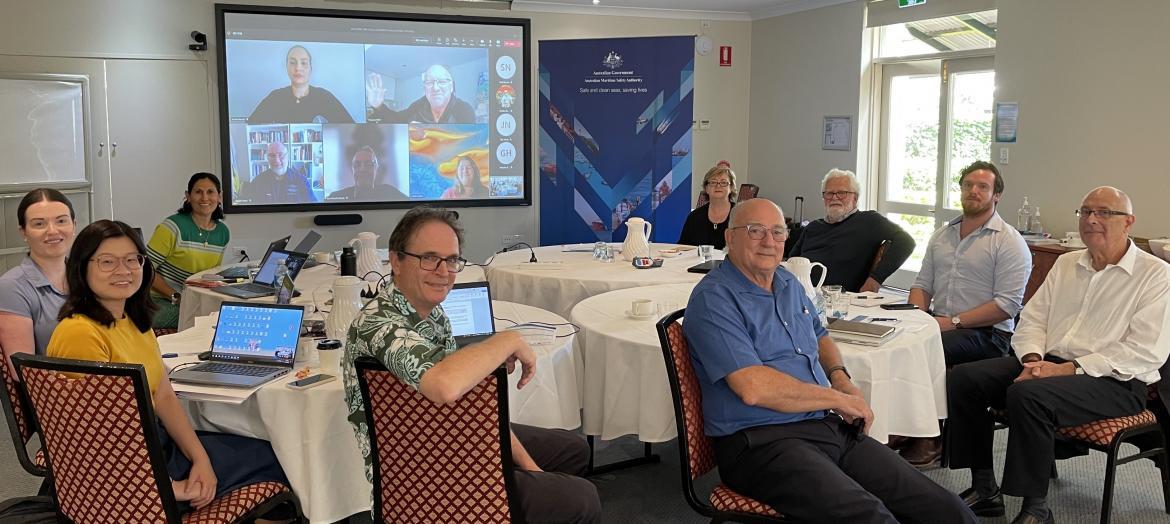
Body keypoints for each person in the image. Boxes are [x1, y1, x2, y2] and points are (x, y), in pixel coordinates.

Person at [683, 198, 976, 523]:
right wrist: (838, 399)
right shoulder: (715, 299)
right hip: (760, 443)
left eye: (778, 232)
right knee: (871, 517)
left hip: (823, 425)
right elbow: (753, 387)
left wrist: (840, 377)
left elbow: (820, 334)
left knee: (944, 507)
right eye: (756, 231)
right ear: (730, 237)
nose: (769, 241)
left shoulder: (787, 283)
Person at [341, 206, 600, 523]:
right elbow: (444, 385)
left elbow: (474, 407)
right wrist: (507, 340)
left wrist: (529, 468)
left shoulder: (431, 314)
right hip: (419, 476)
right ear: (396, 261)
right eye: (429, 258)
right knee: (582, 499)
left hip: (454, 438)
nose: (443, 271)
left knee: (573, 450)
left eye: (451, 260)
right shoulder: (378, 324)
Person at [947, 186, 1170, 524]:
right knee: (965, 378)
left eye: (1104, 213)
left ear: (1129, 223)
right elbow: (1033, 318)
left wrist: (1066, 369)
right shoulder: (1067, 263)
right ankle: (984, 488)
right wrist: (1033, 359)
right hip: (1048, 363)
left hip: (1115, 381)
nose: (1092, 219)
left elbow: (1143, 350)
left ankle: (1036, 508)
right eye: (1085, 212)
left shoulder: (1155, 275)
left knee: (1028, 393)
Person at [46, 220, 289, 515]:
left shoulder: (134, 321)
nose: (123, 271)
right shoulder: (80, 333)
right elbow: (91, 439)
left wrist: (200, 459)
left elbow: (163, 396)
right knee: (276, 458)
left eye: (132, 260)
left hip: (152, 448)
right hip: (128, 475)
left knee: (263, 449)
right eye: (107, 262)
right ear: (82, 269)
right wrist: (167, 486)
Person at [902, 160, 1031, 466]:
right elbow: (922, 285)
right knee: (900, 341)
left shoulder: (1009, 242)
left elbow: (1006, 305)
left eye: (982, 187)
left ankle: (930, 437)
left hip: (989, 335)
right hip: (942, 324)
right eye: (968, 185)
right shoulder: (942, 235)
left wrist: (950, 323)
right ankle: (903, 425)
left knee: (928, 348)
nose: (973, 191)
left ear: (996, 195)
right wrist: (917, 318)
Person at [788, 169, 915, 293]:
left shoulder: (869, 221)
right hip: (802, 294)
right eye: (829, 193)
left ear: (855, 198)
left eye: (842, 192)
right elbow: (791, 261)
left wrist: (875, 279)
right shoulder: (813, 227)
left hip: (840, 300)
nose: (834, 197)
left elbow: (906, 242)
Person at [0, 189, 75, 370]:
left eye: (61, 221)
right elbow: (23, 371)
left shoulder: (88, 274)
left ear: (74, 225)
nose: (52, 231)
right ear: (23, 232)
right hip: (57, 392)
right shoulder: (12, 286)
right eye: (39, 224)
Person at [146, 173, 231, 329]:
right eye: (198, 192)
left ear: (219, 196)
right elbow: (145, 270)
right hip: (159, 301)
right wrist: (176, 297)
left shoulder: (222, 233)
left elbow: (209, 275)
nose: (204, 198)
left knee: (224, 315)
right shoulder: (172, 227)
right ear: (188, 196)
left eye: (210, 192)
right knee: (206, 322)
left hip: (193, 300)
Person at [248, 45, 354, 124]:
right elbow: (251, 124)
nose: (298, 68)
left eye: (304, 63)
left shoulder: (325, 97)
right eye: (293, 62)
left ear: (310, 68)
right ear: (287, 67)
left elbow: (348, 124)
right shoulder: (275, 97)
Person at [366, 64, 476, 124]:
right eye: (429, 82)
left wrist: (425, 132)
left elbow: (469, 145)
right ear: (424, 88)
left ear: (451, 87)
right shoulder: (419, 105)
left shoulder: (464, 110)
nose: (435, 88)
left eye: (442, 82)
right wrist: (378, 106)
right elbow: (397, 119)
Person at [678, 164, 736, 249]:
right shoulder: (694, 217)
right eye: (713, 182)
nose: (718, 186)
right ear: (706, 188)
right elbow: (683, 247)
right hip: (700, 262)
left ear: (731, 187)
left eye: (723, 182)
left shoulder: (741, 215)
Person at [240, 142, 318, 204]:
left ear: (287, 157)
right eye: (272, 155)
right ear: (267, 158)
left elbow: (313, 207)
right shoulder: (258, 181)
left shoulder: (301, 181)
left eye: (280, 155)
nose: (277, 160)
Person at [325, 146, 407, 201]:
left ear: (376, 169)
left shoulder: (390, 193)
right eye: (357, 165)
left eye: (368, 164)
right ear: (352, 169)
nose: (362, 169)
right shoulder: (335, 196)